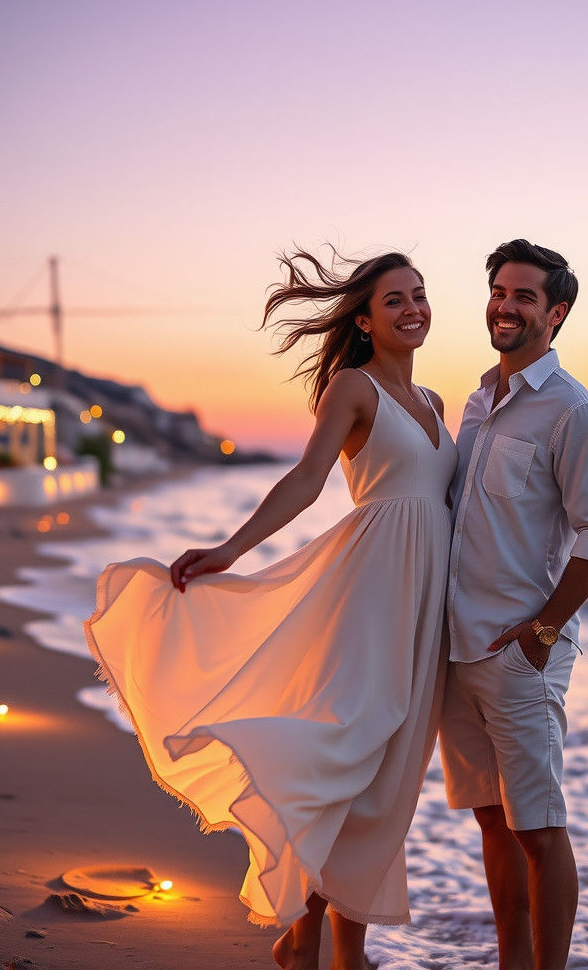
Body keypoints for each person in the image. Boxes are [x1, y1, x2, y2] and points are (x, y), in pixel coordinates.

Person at [84, 248, 457, 970]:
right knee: (343, 756)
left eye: (420, 294)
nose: (413, 308)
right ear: (364, 318)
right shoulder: (353, 387)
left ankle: (324, 940)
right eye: (394, 300)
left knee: (387, 777)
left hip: (422, 609)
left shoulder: (436, 403)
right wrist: (230, 549)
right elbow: (308, 478)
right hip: (368, 594)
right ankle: (323, 942)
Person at [439, 239, 588, 970]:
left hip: (520, 656)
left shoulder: (573, 411)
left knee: (538, 828)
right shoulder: (480, 400)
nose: (505, 306)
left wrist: (542, 634)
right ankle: (510, 960)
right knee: (491, 817)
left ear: (557, 313)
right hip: (456, 648)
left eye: (523, 296)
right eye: (499, 292)